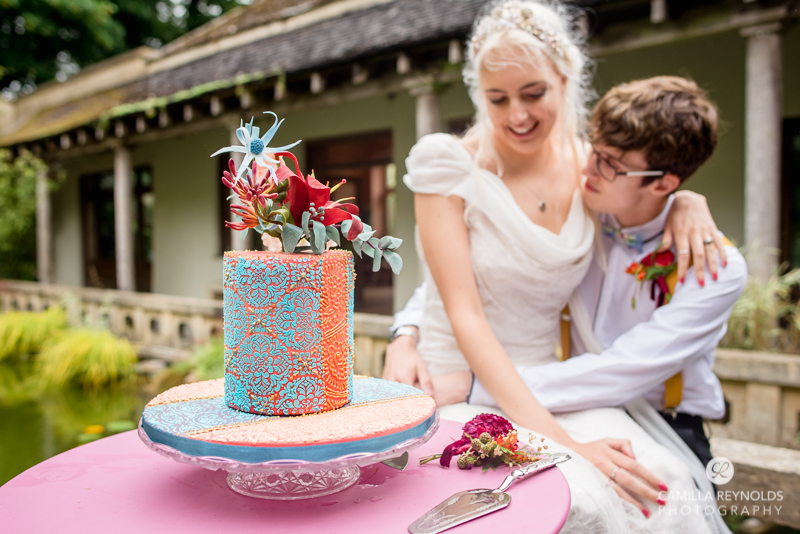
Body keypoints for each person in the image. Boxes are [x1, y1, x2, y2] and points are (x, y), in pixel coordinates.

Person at [397, 1, 729, 532]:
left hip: (549, 384)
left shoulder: (589, 171)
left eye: (534, 93)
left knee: (653, 486)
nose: (517, 116)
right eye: (497, 98)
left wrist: (686, 202)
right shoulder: (448, 165)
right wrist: (567, 443)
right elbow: (462, 308)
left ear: (565, 78)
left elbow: (644, 199)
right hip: (459, 386)